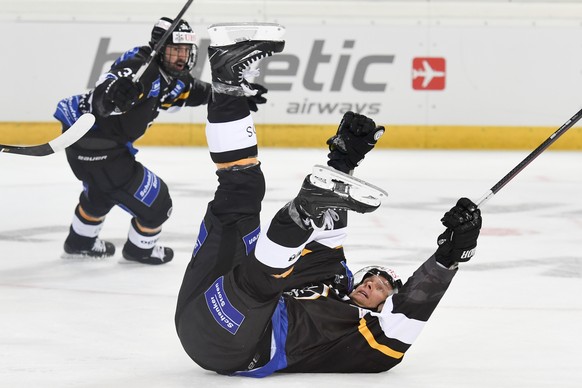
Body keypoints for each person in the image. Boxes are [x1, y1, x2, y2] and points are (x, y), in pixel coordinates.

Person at [175, 24, 482, 377]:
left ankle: (301, 210)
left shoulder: (367, 338)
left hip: (231, 344)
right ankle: (227, 75)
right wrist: (344, 160)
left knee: (260, 282)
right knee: (241, 189)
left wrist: (451, 256)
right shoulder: (332, 270)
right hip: (201, 301)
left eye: (382, 291)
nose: (373, 287)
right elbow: (332, 216)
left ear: (385, 306)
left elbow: (412, 308)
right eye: (375, 279)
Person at [53, 17, 268, 264]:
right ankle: (140, 250)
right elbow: (104, 97)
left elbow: (196, 91)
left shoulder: (170, 76)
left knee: (101, 193)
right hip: (100, 151)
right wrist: (116, 96)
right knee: (158, 204)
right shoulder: (140, 69)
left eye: (185, 50)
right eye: (175, 49)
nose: (181, 56)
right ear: (159, 48)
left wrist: (233, 94)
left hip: (96, 150)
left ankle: (80, 242)